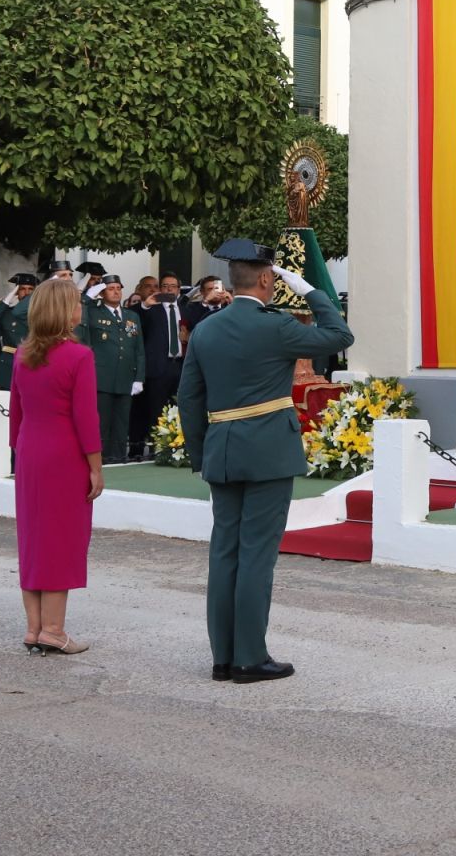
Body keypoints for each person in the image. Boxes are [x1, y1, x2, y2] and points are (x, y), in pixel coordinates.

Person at [176, 239, 353, 683]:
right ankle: (249, 658)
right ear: (266, 279)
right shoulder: (275, 327)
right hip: (269, 452)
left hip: (222, 449)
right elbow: (340, 336)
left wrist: (202, 454)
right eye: (275, 278)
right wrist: (312, 292)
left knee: (225, 552)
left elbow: (189, 398)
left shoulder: (206, 330)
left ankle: (222, 657)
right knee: (256, 555)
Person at [8, 277, 103, 655]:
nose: (81, 308)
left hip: (31, 452)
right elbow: (86, 418)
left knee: (33, 539)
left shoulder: (21, 354)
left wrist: (19, 452)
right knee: (62, 539)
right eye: (77, 303)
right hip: (64, 456)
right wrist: (96, 466)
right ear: (65, 312)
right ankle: (54, 629)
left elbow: (16, 413)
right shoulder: (79, 356)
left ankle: (34, 628)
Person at [77, 275, 144, 463]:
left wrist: (139, 377)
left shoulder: (132, 316)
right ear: (102, 292)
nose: (116, 291)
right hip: (102, 377)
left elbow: (138, 349)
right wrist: (88, 296)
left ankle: (119, 457)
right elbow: (78, 310)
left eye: (118, 288)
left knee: (122, 423)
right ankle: (101, 458)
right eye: (110, 288)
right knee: (101, 422)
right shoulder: (93, 312)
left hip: (125, 377)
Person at [134, 272, 187, 460]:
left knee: (179, 408)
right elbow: (136, 319)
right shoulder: (151, 309)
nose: (169, 289)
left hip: (180, 366)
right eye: (164, 286)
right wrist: (144, 306)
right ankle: (157, 448)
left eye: (173, 286)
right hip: (158, 367)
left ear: (179, 290)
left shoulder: (186, 308)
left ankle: (178, 447)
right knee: (156, 410)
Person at [0, 273, 40, 391]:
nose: (27, 293)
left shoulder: (42, 314)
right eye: (22, 289)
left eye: (31, 289)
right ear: (16, 292)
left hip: (35, 364)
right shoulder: (7, 313)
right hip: (10, 368)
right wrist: (5, 303)